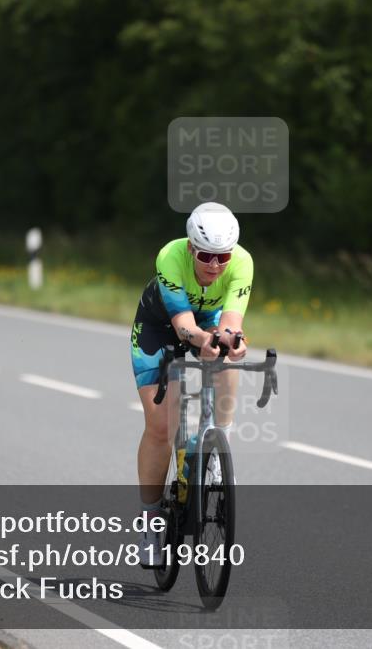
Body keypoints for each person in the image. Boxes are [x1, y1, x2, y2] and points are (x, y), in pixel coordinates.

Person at [130, 202, 253, 567]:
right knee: (161, 427)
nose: (215, 265)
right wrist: (202, 340)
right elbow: (184, 326)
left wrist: (233, 341)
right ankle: (151, 523)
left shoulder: (243, 263)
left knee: (226, 353)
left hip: (209, 319)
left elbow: (231, 320)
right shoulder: (170, 255)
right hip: (160, 327)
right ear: (190, 247)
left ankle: (219, 439)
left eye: (222, 257)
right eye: (205, 256)